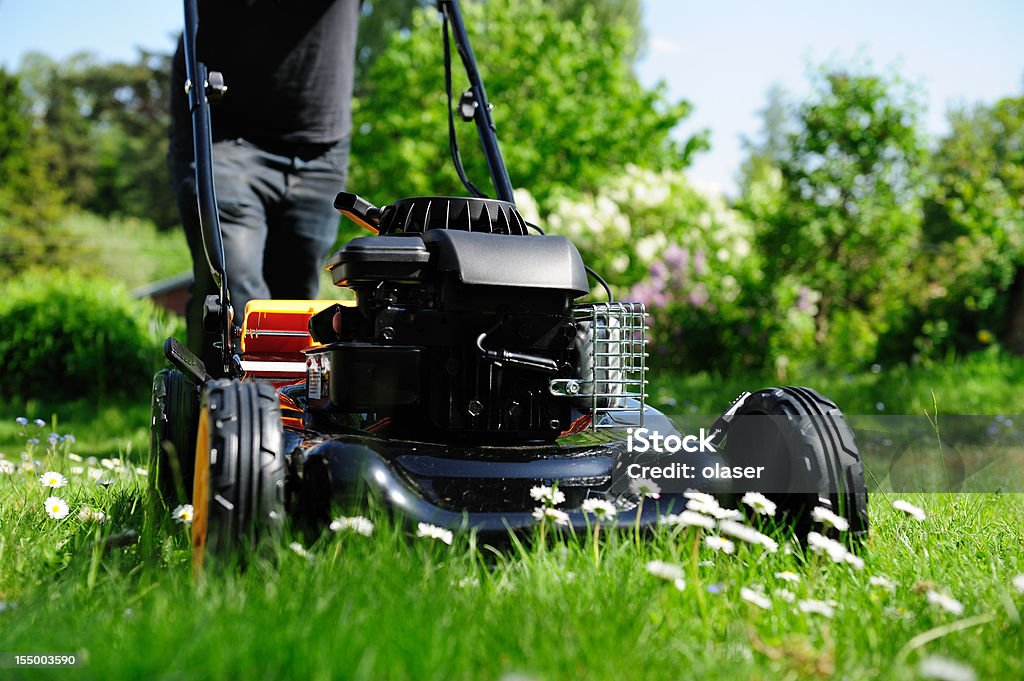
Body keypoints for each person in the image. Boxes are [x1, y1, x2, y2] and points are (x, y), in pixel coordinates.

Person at [168, 0, 360, 371]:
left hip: (321, 143)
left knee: (295, 312)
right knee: (233, 299)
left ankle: (285, 424)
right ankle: (214, 423)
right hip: (222, 128)